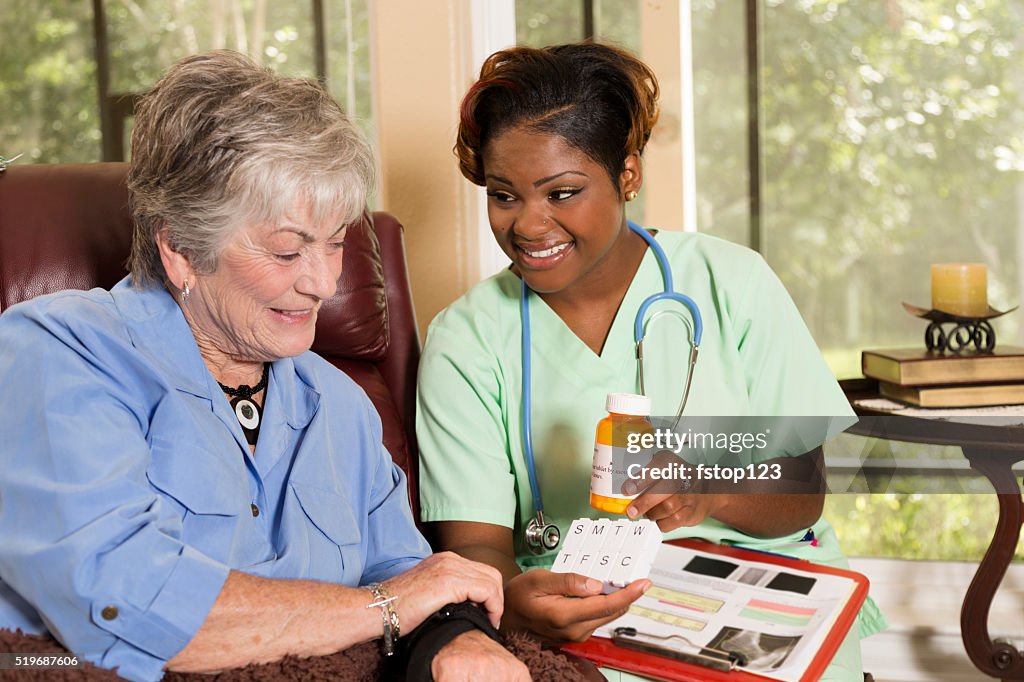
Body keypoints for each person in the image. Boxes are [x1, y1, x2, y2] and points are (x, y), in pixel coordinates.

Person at [0, 51, 529, 682]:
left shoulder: (339, 403)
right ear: (182, 250)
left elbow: (411, 577)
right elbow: (122, 603)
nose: (323, 283)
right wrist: (383, 608)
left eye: (335, 243)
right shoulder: (58, 352)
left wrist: (454, 641)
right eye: (287, 250)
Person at [416, 42, 886, 681]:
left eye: (563, 192)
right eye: (504, 196)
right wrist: (517, 603)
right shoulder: (467, 339)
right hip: (592, 614)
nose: (528, 224)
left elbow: (803, 495)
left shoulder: (731, 282)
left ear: (628, 175)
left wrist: (710, 490)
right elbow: (475, 545)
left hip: (763, 598)